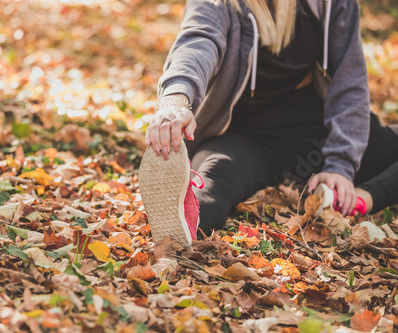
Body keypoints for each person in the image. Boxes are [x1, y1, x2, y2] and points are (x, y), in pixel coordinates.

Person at [138, 0, 398, 246]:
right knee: (216, 177)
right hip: (247, 136)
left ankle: (362, 199)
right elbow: (197, 41)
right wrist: (175, 101)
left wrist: (341, 165)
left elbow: (349, 77)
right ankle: (180, 223)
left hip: (318, 136)